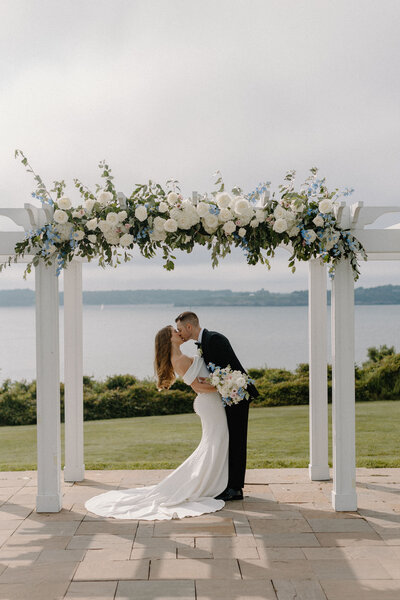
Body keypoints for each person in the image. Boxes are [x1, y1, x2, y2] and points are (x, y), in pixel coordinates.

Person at [84, 325, 229, 520]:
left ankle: (212, 480)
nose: (179, 333)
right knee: (216, 441)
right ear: (168, 340)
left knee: (214, 442)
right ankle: (208, 483)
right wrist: (227, 386)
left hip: (210, 404)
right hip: (209, 404)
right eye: (174, 332)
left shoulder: (180, 356)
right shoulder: (178, 360)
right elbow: (199, 387)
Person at [175, 311, 259, 502]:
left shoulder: (214, 339)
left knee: (237, 440)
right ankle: (228, 484)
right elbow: (217, 371)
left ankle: (235, 488)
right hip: (227, 395)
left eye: (180, 329)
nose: (180, 333)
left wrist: (224, 387)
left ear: (189, 327)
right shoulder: (204, 343)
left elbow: (231, 369)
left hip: (238, 395)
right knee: (230, 440)